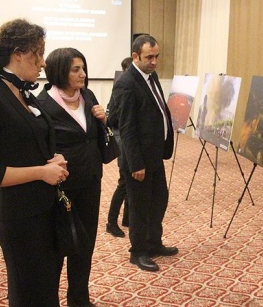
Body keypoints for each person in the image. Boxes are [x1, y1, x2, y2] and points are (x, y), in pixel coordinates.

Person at [0, 19, 68, 306]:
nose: (43, 61)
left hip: (44, 208)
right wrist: (41, 171)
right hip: (19, 215)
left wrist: (55, 159)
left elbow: (31, 143)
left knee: (47, 286)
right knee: (27, 291)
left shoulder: (25, 93)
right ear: (18, 53)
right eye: (37, 52)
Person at [36, 47, 105, 307]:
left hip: (90, 184)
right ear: (58, 71)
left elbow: (94, 136)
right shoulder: (42, 104)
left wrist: (103, 118)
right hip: (60, 188)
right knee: (57, 248)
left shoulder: (88, 96)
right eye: (76, 69)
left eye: (83, 68)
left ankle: (79, 299)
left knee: (85, 245)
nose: (83, 74)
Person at [109, 34, 177, 272]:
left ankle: (154, 243)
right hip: (138, 160)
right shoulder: (126, 83)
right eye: (149, 57)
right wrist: (136, 163)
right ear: (135, 56)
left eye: (157, 56)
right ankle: (138, 252)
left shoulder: (151, 76)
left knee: (159, 200)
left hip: (155, 155)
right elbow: (126, 127)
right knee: (139, 207)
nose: (155, 61)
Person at [106, 57, 133, 238]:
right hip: (121, 135)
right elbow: (113, 117)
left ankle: (127, 218)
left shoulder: (129, 85)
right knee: (124, 181)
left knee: (131, 180)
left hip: (127, 136)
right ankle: (111, 222)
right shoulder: (122, 87)